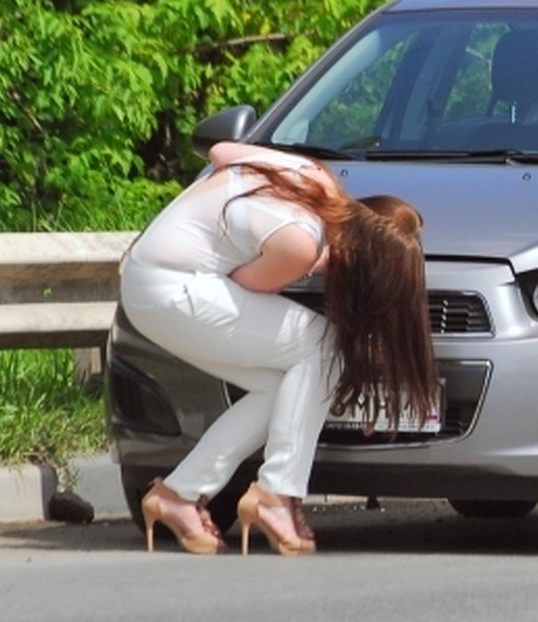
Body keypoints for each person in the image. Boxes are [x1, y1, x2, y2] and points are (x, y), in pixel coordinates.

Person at [119, 141, 438, 555]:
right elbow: (244, 285)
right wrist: (312, 262)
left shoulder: (313, 175)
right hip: (170, 290)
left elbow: (220, 152)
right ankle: (277, 495)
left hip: (153, 277)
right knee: (322, 348)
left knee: (284, 384)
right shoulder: (299, 243)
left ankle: (179, 495)